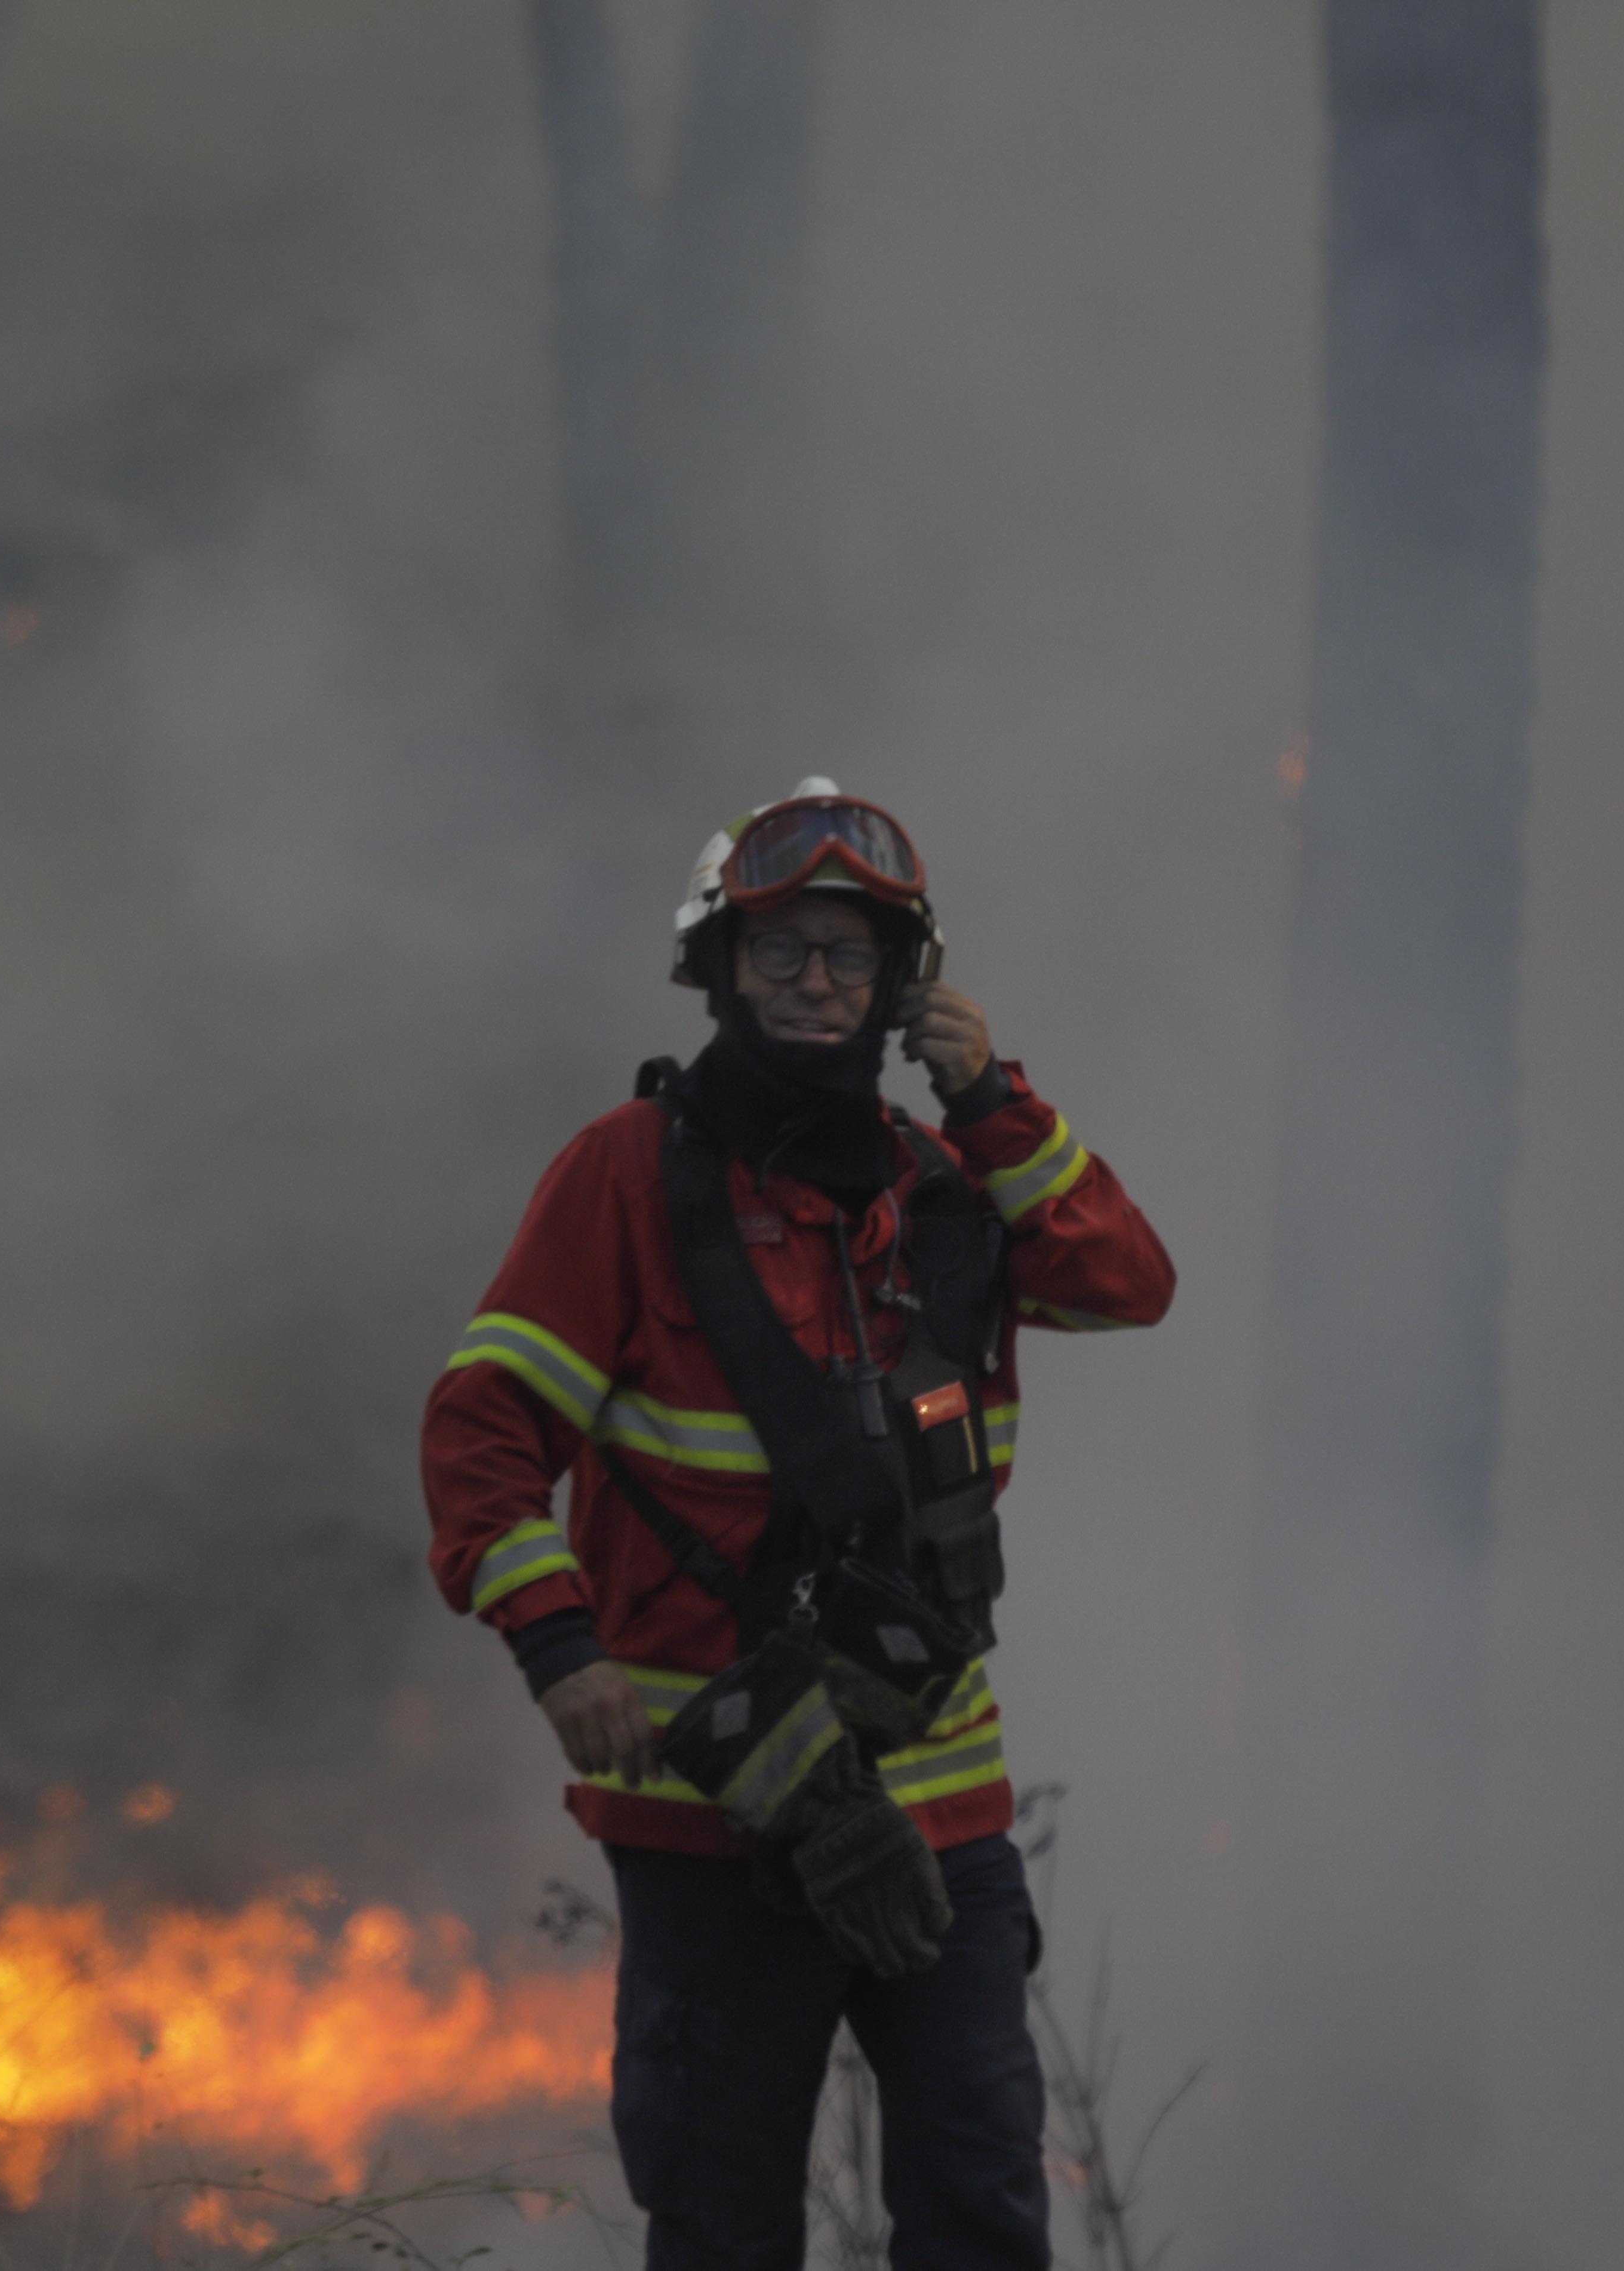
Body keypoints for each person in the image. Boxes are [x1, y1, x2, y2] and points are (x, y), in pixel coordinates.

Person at [421, 781, 1174, 2268]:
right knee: (721, 2223)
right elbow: (483, 1432)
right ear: (720, 970)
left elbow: (1125, 1283)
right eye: (782, 954)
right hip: (715, 1814)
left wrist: (993, 1100)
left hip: (938, 1807)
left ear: (901, 988)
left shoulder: (949, 1185)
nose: (817, 984)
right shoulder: (625, 1178)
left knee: (979, 2208)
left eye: (850, 958)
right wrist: (559, 1647)